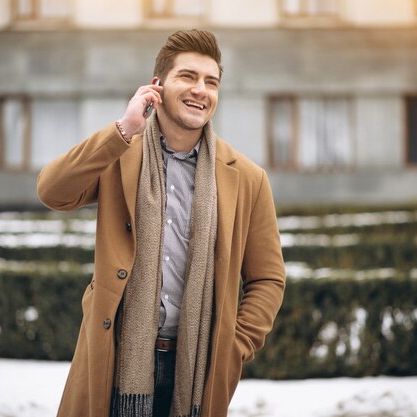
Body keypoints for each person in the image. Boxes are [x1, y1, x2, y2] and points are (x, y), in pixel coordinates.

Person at [37, 29, 285, 417]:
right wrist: (122, 131)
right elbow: (53, 191)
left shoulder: (247, 179)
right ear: (158, 86)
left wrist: (234, 346)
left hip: (198, 367)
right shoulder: (121, 154)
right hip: (116, 359)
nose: (200, 90)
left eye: (211, 82)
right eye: (187, 76)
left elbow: (268, 279)